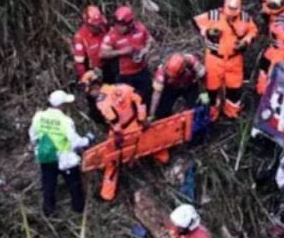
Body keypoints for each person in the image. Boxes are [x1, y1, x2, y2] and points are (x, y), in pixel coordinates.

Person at [79, 70, 151, 201]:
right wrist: (142, 119)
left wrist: (117, 134)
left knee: (112, 161)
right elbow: (139, 100)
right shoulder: (121, 87)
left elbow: (113, 120)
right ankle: (165, 159)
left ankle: (107, 194)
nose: (90, 94)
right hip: (136, 124)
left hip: (124, 132)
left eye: (89, 91)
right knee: (152, 142)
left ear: (95, 86)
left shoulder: (102, 101)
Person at [192, 0, 258, 120]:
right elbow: (196, 22)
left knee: (234, 88)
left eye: (235, 9)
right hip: (214, 59)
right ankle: (211, 115)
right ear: (224, 5)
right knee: (211, 89)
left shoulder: (245, 18)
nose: (232, 12)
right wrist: (208, 32)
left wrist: (245, 41)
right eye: (230, 8)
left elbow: (253, 30)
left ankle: (231, 113)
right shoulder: (213, 15)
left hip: (235, 59)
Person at [29, 90, 91, 216]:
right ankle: (78, 209)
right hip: (64, 158)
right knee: (74, 185)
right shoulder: (65, 120)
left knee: (48, 184)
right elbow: (75, 142)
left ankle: (48, 211)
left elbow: (32, 136)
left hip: (46, 156)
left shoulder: (39, 116)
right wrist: (87, 140)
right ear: (62, 105)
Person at [100, 5, 153, 103]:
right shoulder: (112, 36)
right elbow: (103, 54)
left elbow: (149, 40)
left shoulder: (140, 28)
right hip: (124, 75)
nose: (118, 27)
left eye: (121, 25)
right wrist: (122, 52)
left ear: (130, 24)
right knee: (126, 101)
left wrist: (145, 50)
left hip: (141, 70)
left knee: (147, 95)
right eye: (117, 24)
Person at [149, 53, 209, 120]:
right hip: (171, 88)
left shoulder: (192, 62)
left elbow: (203, 79)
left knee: (195, 106)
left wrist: (205, 97)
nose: (171, 78)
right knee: (162, 110)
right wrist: (152, 114)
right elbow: (156, 94)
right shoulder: (161, 72)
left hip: (189, 85)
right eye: (169, 76)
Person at [71, 5, 110, 81]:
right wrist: (85, 79)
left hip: (108, 65)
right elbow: (79, 64)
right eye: (94, 26)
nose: (98, 27)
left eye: (99, 24)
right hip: (93, 71)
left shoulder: (104, 27)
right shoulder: (80, 37)